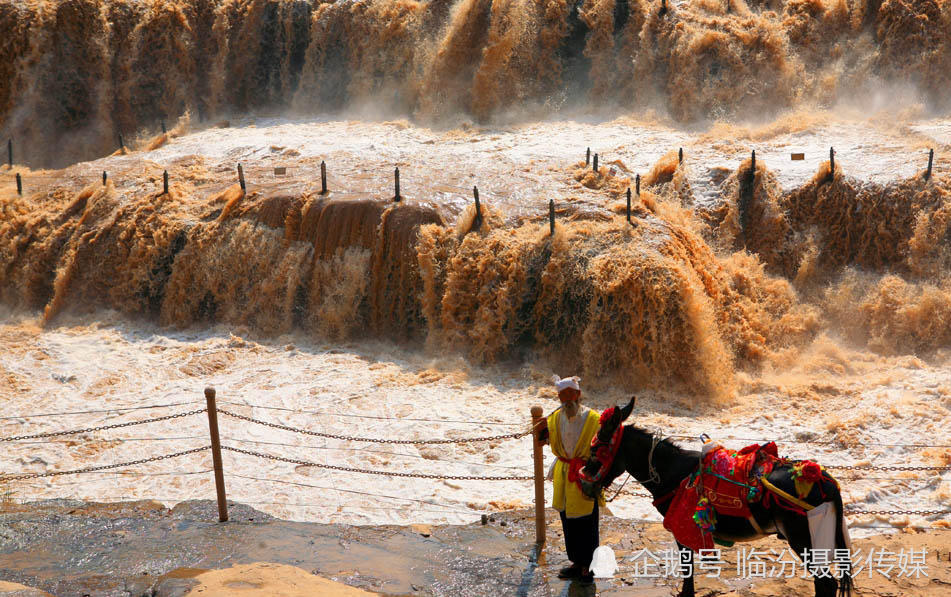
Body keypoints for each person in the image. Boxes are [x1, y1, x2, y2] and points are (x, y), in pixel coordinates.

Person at [538, 375, 603, 585]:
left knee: (587, 522)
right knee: (568, 521)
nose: (566, 400)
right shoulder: (555, 418)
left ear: (578, 394)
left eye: (569, 394)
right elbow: (547, 439)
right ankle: (576, 562)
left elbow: (603, 448)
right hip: (564, 473)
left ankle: (589, 567)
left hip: (585, 475)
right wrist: (541, 431)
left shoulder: (593, 419)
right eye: (562, 396)